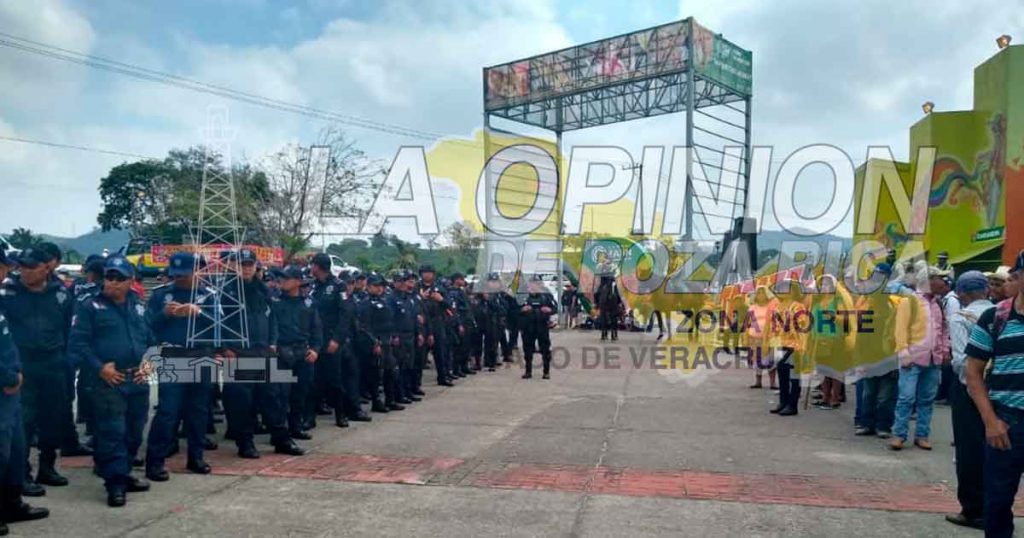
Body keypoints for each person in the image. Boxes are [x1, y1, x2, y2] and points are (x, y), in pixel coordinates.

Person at [67, 256, 153, 507]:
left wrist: (149, 361)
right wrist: (99, 367)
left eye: (119, 278)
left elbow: (150, 338)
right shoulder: (89, 306)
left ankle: (124, 474)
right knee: (113, 432)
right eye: (109, 277)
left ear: (130, 282)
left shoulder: (138, 306)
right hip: (108, 380)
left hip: (136, 377)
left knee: (134, 432)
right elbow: (78, 344)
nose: (112, 282)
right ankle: (115, 484)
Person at [0, 247, 74, 495]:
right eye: (22, 266)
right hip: (22, 365)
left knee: (52, 418)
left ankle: (47, 467)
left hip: (53, 363)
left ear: (47, 268)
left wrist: (65, 358)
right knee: (24, 422)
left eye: (31, 267)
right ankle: (22, 475)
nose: (25, 271)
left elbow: (67, 328)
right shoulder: (7, 291)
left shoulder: (61, 292)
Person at [221, 250, 304, 458]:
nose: (246, 268)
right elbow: (216, 323)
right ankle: (245, 443)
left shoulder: (262, 290)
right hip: (239, 353)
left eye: (250, 264)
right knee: (243, 402)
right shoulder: (226, 291)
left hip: (263, 351)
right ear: (234, 266)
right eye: (242, 264)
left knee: (272, 398)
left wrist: (273, 342)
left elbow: (272, 319)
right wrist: (223, 348)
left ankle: (281, 438)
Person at [964, 252, 1024, 537]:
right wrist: (991, 421)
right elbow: (972, 371)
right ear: (1019, 276)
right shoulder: (995, 317)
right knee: (997, 503)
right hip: (1007, 423)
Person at [144, 252, 215, 482]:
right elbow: (146, 326)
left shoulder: (209, 295)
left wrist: (199, 312)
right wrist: (165, 314)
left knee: (198, 410)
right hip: (172, 354)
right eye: (176, 275)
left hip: (201, 354)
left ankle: (196, 457)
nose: (180, 279)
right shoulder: (161, 295)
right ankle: (154, 463)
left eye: (185, 274)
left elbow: (224, 325)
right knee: (167, 411)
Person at [0, 266, 49, 533]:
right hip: (3, 387)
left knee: (16, 450)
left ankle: (11, 503)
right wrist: (7, 376)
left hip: (11, 392)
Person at [944, 271, 992, 530]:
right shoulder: (1000, 313)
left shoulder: (960, 317)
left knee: (969, 450)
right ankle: (995, 505)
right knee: (995, 449)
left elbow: (963, 361)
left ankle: (973, 510)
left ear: (962, 293)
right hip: (998, 389)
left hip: (970, 390)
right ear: (986, 289)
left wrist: (972, 389)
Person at [890, 264, 950, 451]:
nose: (944, 282)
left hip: (934, 359)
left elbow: (943, 330)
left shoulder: (939, 303)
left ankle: (922, 435)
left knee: (926, 399)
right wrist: (904, 353)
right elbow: (900, 329)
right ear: (929, 281)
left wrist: (945, 351)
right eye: (940, 278)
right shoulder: (910, 302)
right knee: (906, 398)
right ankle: (899, 434)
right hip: (912, 358)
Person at [308, 253, 365, 428]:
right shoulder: (314, 287)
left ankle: (341, 415)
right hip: (315, 340)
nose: (311, 268)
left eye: (313, 265)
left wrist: (337, 340)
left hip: (332, 339)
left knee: (335, 380)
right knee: (314, 380)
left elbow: (345, 315)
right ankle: (310, 417)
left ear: (319, 266)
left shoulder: (338, 286)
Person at [271, 266, 323, 438]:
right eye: (281, 278)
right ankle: (279, 432)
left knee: (300, 393)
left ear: (298, 281)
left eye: (287, 278)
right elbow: (271, 327)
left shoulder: (308, 303)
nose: (282, 281)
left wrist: (315, 349)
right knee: (280, 395)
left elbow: (317, 329)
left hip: (302, 352)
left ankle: (296, 426)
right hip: (281, 352)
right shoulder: (274, 301)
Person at [356, 274, 402, 411]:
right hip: (375, 342)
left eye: (381, 286)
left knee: (391, 372)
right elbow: (365, 326)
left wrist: (394, 335)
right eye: (376, 286)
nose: (379, 288)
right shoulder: (365, 304)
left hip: (387, 341)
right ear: (368, 286)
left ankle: (390, 399)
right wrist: (374, 343)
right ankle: (376, 401)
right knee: (376, 374)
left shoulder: (385, 301)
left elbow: (390, 321)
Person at [772, 279, 809, 415]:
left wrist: (802, 346)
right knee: (782, 375)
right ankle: (783, 401)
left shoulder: (798, 307)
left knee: (794, 376)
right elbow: (773, 328)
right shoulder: (778, 307)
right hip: (780, 345)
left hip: (795, 346)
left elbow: (803, 327)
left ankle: (792, 405)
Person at [418, 265, 453, 387]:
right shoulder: (417, 288)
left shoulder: (440, 288)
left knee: (440, 352)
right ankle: (415, 384)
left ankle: (443, 377)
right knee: (419, 355)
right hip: (422, 324)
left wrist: (440, 299)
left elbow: (449, 306)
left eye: (430, 272)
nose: (427, 275)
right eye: (425, 272)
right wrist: (421, 298)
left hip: (437, 323)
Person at [520, 275, 556, 379]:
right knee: (527, 350)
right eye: (532, 283)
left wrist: (549, 310)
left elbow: (555, 308)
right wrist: (522, 309)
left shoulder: (546, 296)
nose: (534, 286)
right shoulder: (523, 296)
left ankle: (546, 372)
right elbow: (514, 310)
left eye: (537, 283)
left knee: (545, 350)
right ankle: (528, 371)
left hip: (542, 326)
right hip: (528, 327)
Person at [933, 268, 959, 405]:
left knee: (948, 370)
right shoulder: (943, 299)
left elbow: (950, 321)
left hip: (949, 338)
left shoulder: (951, 301)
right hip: (947, 339)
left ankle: (946, 395)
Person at [747, 285, 777, 390]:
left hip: (769, 337)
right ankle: (758, 381)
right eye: (758, 293)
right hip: (755, 337)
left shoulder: (772, 307)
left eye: (762, 293)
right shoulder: (752, 308)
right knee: (757, 360)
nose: (760, 295)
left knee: (771, 360)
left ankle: (772, 383)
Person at [447, 273, 474, 379]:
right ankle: (456, 369)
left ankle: (464, 367)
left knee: (466, 347)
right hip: (460, 322)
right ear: (456, 280)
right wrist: (459, 324)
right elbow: (454, 310)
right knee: (459, 348)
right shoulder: (453, 293)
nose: (463, 281)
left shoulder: (461, 291)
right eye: (461, 279)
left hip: (466, 321)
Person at [596, 274, 622, 341]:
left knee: (617, 291)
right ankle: (597, 304)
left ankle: (610, 334)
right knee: (597, 292)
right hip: (606, 282)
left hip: (611, 282)